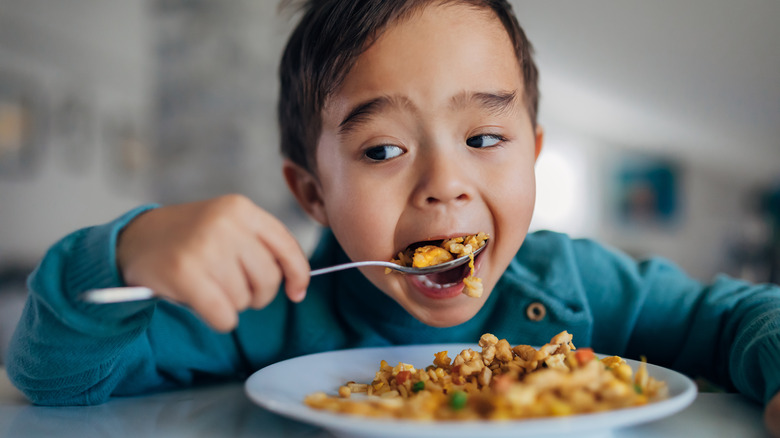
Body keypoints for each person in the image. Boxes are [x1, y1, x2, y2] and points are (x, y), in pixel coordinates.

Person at [7, 0, 780, 434]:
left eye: (484, 138)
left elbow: (738, 316)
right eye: (381, 150)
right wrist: (124, 252)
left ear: (534, 153)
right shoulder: (267, 306)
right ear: (311, 193)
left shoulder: (578, 285)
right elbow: (53, 381)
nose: (445, 185)